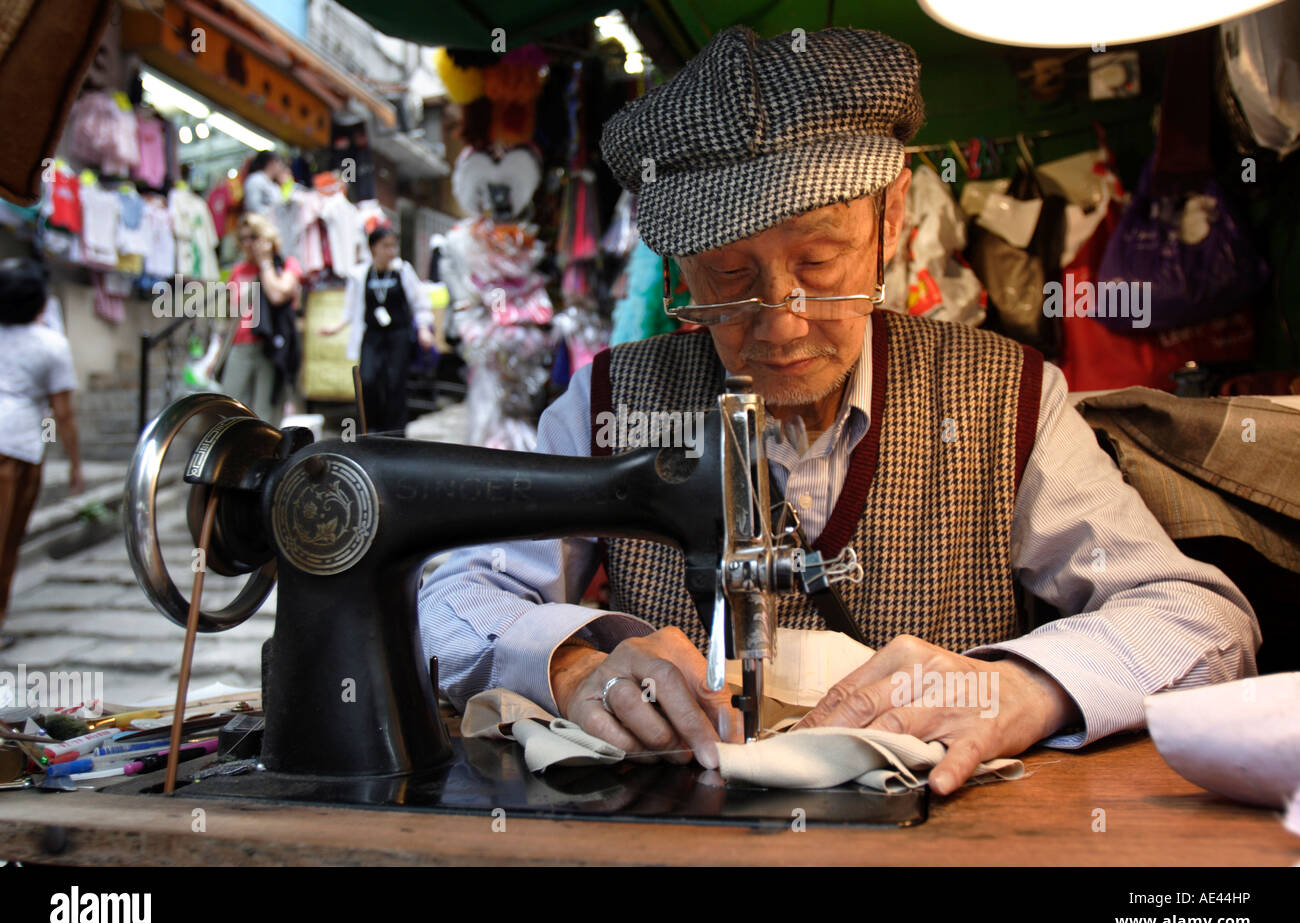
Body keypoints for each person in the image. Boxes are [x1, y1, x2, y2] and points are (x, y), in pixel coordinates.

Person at [418, 27, 1259, 794]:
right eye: (729, 275)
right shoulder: (606, 404)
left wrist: (1024, 688)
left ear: (890, 219)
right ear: (679, 261)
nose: (779, 324)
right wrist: (567, 664)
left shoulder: (1007, 399)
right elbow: (452, 598)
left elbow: (1199, 620)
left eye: (819, 261)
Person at [0, 258, 82, 644]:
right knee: (7, 540)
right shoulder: (51, 345)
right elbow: (63, 415)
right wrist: (74, 465)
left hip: (17, 445)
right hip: (17, 447)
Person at [321, 226, 435, 433]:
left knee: (395, 383)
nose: (391, 251)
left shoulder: (403, 271)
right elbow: (351, 308)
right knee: (368, 379)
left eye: (393, 246)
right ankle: (372, 429)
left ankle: (395, 433)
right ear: (373, 248)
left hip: (397, 336)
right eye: (385, 246)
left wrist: (424, 329)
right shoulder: (361, 274)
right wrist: (335, 327)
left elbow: (419, 302)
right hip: (372, 336)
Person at [212, 212, 302, 423]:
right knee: (230, 409)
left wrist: (265, 263)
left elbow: (278, 294)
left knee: (265, 414)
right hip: (240, 346)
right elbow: (229, 316)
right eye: (242, 238)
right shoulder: (237, 270)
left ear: (266, 237)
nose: (247, 244)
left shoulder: (286, 265)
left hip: (270, 346)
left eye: (253, 237)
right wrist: (216, 352)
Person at [242, 151, 290, 215]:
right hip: (259, 223)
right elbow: (252, 207)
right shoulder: (255, 180)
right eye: (279, 163)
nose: (281, 167)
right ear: (271, 163)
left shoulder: (273, 183)